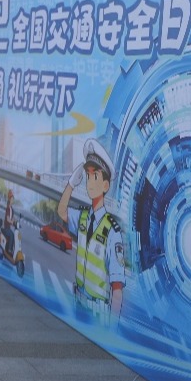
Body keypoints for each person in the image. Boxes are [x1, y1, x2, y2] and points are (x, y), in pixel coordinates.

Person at [56, 138, 126, 326]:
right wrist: (71, 183)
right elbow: (61, 211)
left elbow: (117, 288)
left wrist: (112, 329)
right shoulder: (82, 218)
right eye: (87, 176)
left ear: (105, 186)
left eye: (95, 176)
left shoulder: (113, 231)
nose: (89, 182)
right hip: (78, 304)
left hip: (98, 317)